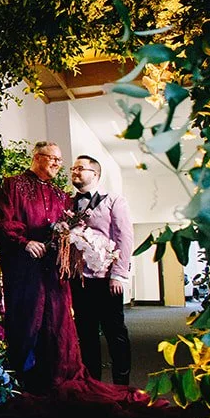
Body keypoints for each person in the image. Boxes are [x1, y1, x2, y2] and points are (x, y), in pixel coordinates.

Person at [0, 141, 80, 393]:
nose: (58, 164)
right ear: (37, 157)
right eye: (52, 158)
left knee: (56, 322)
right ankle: (23, 379)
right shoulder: (12, 185)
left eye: (60, 160)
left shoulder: (61, 196)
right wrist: (23, 242)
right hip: (24, 270)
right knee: (26, 319)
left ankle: (54, 376)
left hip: (53, 272)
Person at [68, 155, 135, 386]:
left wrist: (118, 274)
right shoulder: (67, 202)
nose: (75, 172)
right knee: (86, 334)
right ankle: (92, 383)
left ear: (95, 174)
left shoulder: (114, 200)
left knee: (115, 333)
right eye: (73, 168)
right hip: (79, 279)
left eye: (80, 168)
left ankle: (121, 384)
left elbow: (124, 238)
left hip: (106, 279)